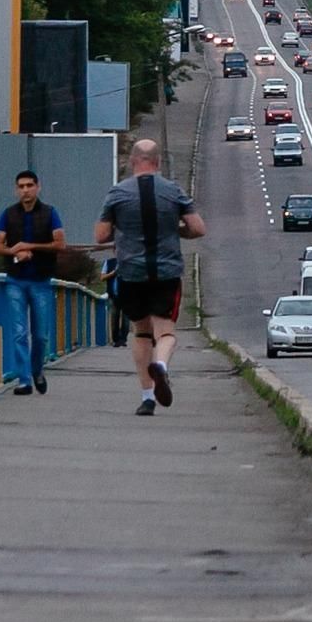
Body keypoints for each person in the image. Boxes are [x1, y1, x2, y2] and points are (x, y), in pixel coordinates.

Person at [94, 139, 206, 416]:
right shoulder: (174, 191)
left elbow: (100, 236)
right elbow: (198, 228)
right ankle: (162, 365)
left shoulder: (117, 193)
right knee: (165, 332)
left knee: (141, 332)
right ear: (157, 162)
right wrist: (175, 230)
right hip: (166, 272)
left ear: (133, 161)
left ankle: (147, 398)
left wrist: (123, 231)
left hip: (131, 273)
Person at [0, 169, 67, 395]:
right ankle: (23, 380)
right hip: (15, 280)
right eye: (21, 186)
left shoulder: (50, 213)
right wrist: (15, 252)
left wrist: (30, 246)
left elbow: (60, 244)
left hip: (41, 280)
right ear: (17, 190)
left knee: (41, 334)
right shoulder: (8, 214)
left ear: (38, 187)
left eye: (29, 185)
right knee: (18, 332)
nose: (25, 190)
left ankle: (37, 370)